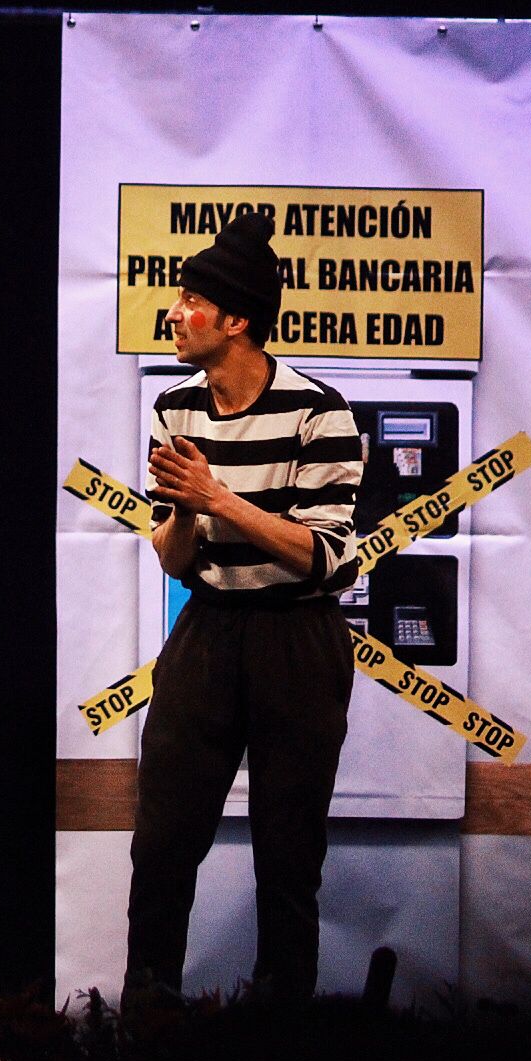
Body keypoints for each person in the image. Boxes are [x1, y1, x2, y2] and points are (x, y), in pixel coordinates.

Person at [124, 212, 364, 1006]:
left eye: (190, 298)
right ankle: (145, 1022)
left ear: (237, 321)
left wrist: (217, 495)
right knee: (162, 843)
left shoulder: (319, 412)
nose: (174, 311)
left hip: (299, 638)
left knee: (289, 857)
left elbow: (327, 556)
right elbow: (172, 554)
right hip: (208, 628)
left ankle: (279, 1036)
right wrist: (186, 511)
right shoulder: (175, 406)